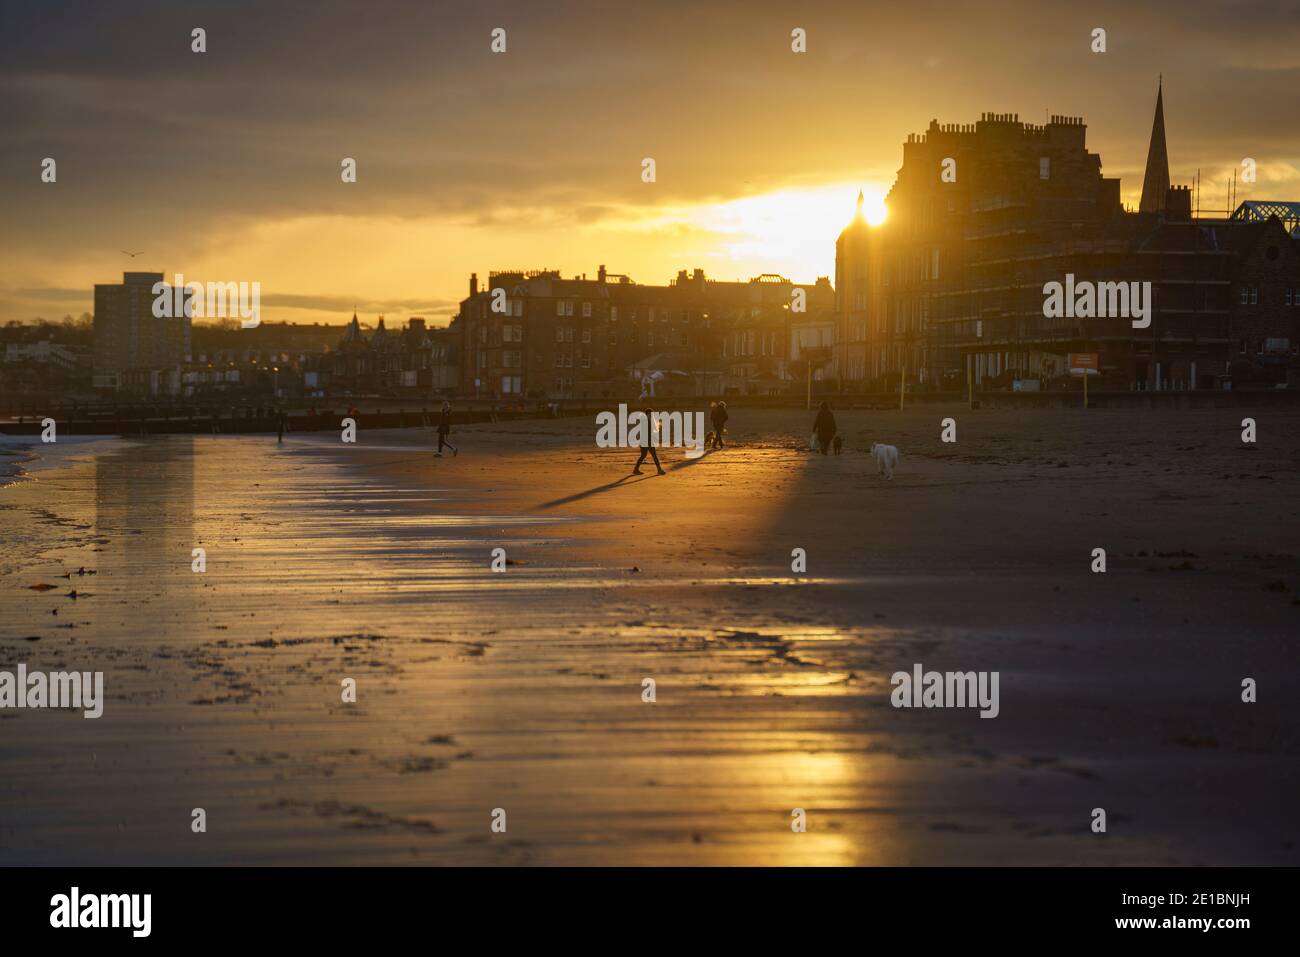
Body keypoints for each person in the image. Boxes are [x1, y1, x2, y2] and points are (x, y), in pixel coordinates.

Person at [633, 407, 666, 475]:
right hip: (647, 441)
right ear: (647, 414)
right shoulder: (646, 421)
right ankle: (659, 470)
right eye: (650, 414)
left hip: (645, 440)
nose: (652, 415)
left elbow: (651, 430)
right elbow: (650, 430)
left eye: (652, 414)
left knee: (643, 455)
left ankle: (636, 469)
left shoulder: (647, 420)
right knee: (653, 455)